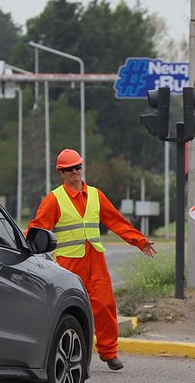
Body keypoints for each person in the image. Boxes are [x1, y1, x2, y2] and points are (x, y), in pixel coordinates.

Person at [27, 149, 156, 370]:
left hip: (95, 260)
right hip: (68, 265)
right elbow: (37, 228)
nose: (74, 172)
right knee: (68, 309)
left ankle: (109, 353)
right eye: (69, 169)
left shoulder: (96, 195)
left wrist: (139, 241)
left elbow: (116, 221)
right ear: (62, 172)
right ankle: (64, 352)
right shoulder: (54, 199)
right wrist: (28, 252)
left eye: (77, 167)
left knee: (105, 305)